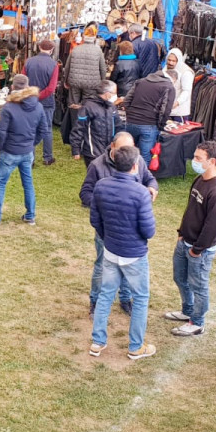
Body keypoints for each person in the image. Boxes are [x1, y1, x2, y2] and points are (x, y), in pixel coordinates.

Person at [89, 145, 157, 360]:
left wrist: (108, 237)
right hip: (134, 254)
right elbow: (149, 230)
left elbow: (95, 220)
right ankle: (135, 346)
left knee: (105, 295)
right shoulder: (140, 193)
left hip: (111, 251)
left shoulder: (101, 186)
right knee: (141, 298)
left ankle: (98, 342)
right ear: (135, 166)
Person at [81, 133, 159, 315]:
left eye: (130, 149)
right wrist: (105, 204)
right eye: (123, 149)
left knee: (128, 266)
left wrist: (152, 188)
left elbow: (150, 178)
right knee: (102, 266)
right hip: (107, 228)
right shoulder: (97, 165)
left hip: (130, 230)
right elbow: (85, 192)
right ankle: (95, 301)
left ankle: (125, 299)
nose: (128, 153)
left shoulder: (136, 160)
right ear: (112, 147)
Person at [167, 141, 216, 337]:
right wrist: (181, 233)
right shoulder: (199, 179)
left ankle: (197, 322)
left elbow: (213, 227)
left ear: (212, 161)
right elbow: (191, 209)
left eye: (198, 158)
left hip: (199, 250)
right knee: (180, 278)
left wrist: (197, 249)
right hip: (185, 241)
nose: (194, 161)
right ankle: (187, 311)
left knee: (199, 286)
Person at [0, 74, 46, 226]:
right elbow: (43, 129)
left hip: (10, 151)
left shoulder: (9, 107)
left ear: (13, 87)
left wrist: (1, 147)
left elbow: (0, 131)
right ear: (27, 86)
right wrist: (32, 144)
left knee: (1, 183)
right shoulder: (38, 106)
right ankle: (30, 215)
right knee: (28, 183)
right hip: (26, 151)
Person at [122, 65, 176, 164]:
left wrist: (130, 114)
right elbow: (165, 110)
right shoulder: (168, 86)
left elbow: (126, 101)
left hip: (131, 121)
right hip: (149, 124)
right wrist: (161, 125)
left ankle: (125, 175)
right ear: (173, 79)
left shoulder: (141, 81)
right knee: (145, 156)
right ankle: (140, 178)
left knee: (127, 153)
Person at [22, 39, 59, 166]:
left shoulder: (29, 62)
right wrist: (39, 96)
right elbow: (51, 88)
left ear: (39, 47)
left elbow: (23, 82)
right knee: (47, 129)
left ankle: (30, 159)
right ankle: (47, 157)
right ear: (52, 49)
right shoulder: (54, 65)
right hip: (46, 101)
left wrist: (32, 96)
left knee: (30, 129)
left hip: (30, 100)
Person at [71, 81, 118, 165]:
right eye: (114, 93)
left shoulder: (112, 107)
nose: (116, 96)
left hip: (110, 151)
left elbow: (118, 126)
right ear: (107, 94)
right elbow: (79, 128)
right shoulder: (88, 107)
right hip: (93, 153)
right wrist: (76, 149)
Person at [63, 24, 106, 108]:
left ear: (83, 36)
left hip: (75, 81)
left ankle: (74, 120)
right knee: (88, 106)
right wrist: (102, 82)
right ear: (94, 37)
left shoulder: (75, 49)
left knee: (73, 106)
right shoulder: (98, 51)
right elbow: (103, 69)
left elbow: (67, 67)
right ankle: (85, 120)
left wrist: (65, 80)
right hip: (92, 84)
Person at [166, 48, 194, 122]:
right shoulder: (166, 68)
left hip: (179, 112)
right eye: (169, 60)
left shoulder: (186, 72)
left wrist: (177, 103)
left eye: (173, 61)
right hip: (167, 110)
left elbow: (186, 91)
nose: (171, 63)